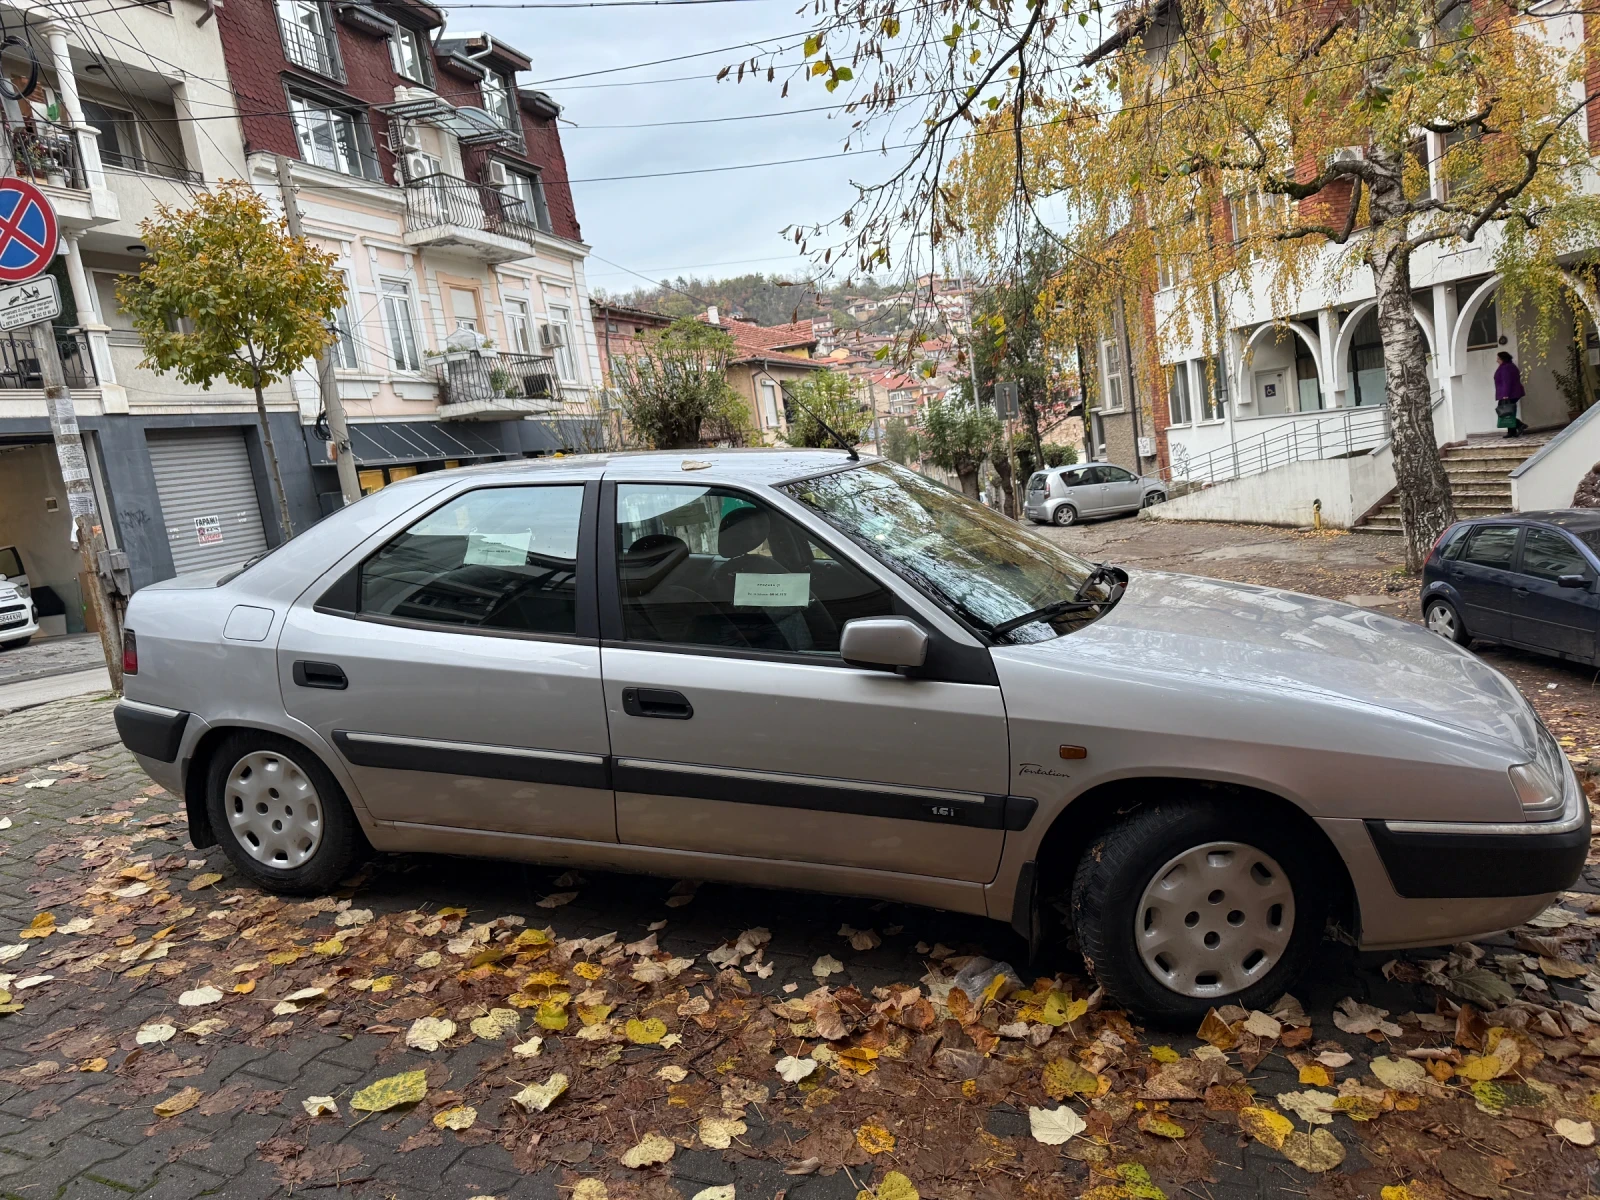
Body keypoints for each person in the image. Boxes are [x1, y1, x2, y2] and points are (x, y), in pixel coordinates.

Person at [1494, 351, 1529, 438]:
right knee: (1508, 411)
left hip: (1508, 393)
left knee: (1504, 411)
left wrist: (1505, 394)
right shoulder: (1509, 366)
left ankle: (1520, 425)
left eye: (1498, 358)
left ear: (1503, 359)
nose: (1497, 360)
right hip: (1512, 393)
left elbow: (1507, 382)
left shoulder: (1506, 367)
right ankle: (1511, 431)